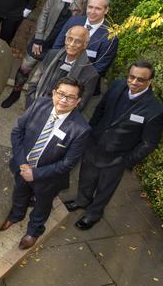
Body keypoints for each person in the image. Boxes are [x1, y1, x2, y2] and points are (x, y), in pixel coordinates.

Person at [65, 61, 163, 230]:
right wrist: (91, 132)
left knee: (105, 188)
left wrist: (126, 161)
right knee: (86, 177)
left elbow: (149, 143)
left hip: (116, 158)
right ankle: (82, 200)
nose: (133, 82)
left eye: (140, 79)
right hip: (94, 145)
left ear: (150, 81)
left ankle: (94, 214)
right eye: (131, 77)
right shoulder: (117, 85)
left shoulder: (154, 110)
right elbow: (101, 109)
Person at [1, 77, 90, 250]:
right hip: (23, 166)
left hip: (49, 178)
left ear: (78, 101)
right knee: (20, 191)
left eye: (70, 97)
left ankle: (34, 230)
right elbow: (17, 132)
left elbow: (67, 164)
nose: (64, 100)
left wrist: (35, 174)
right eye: (61, 94)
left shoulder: (81, 129)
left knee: (42, 204)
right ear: (54, 93)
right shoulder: (39, 104)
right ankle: (17, 215)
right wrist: (22, 164)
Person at [1, 0, 94, 108]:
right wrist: (38, 37)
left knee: (43, 76)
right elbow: (45, 12)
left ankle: (33, 104)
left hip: (62, 46)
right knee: (25, 67)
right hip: (43, 38)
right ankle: (15, 93)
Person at [25, 25, 99, 110]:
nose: (72, 44)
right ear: (65, 39)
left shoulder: (90, 74)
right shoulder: (51, 55)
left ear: (85, 44)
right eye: (69, 39)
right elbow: (34, 82)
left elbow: (79, 105)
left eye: (77, 41)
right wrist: (31, 104)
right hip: (34, 106)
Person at [52, 0, 119, 83]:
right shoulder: (73, 21)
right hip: (57, 74)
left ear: (106, 10)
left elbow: (99, 69)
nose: (92, 12)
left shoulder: (110, 37)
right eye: (90, 7)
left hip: (82, 83)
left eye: (98, 8)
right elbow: (57, 48)